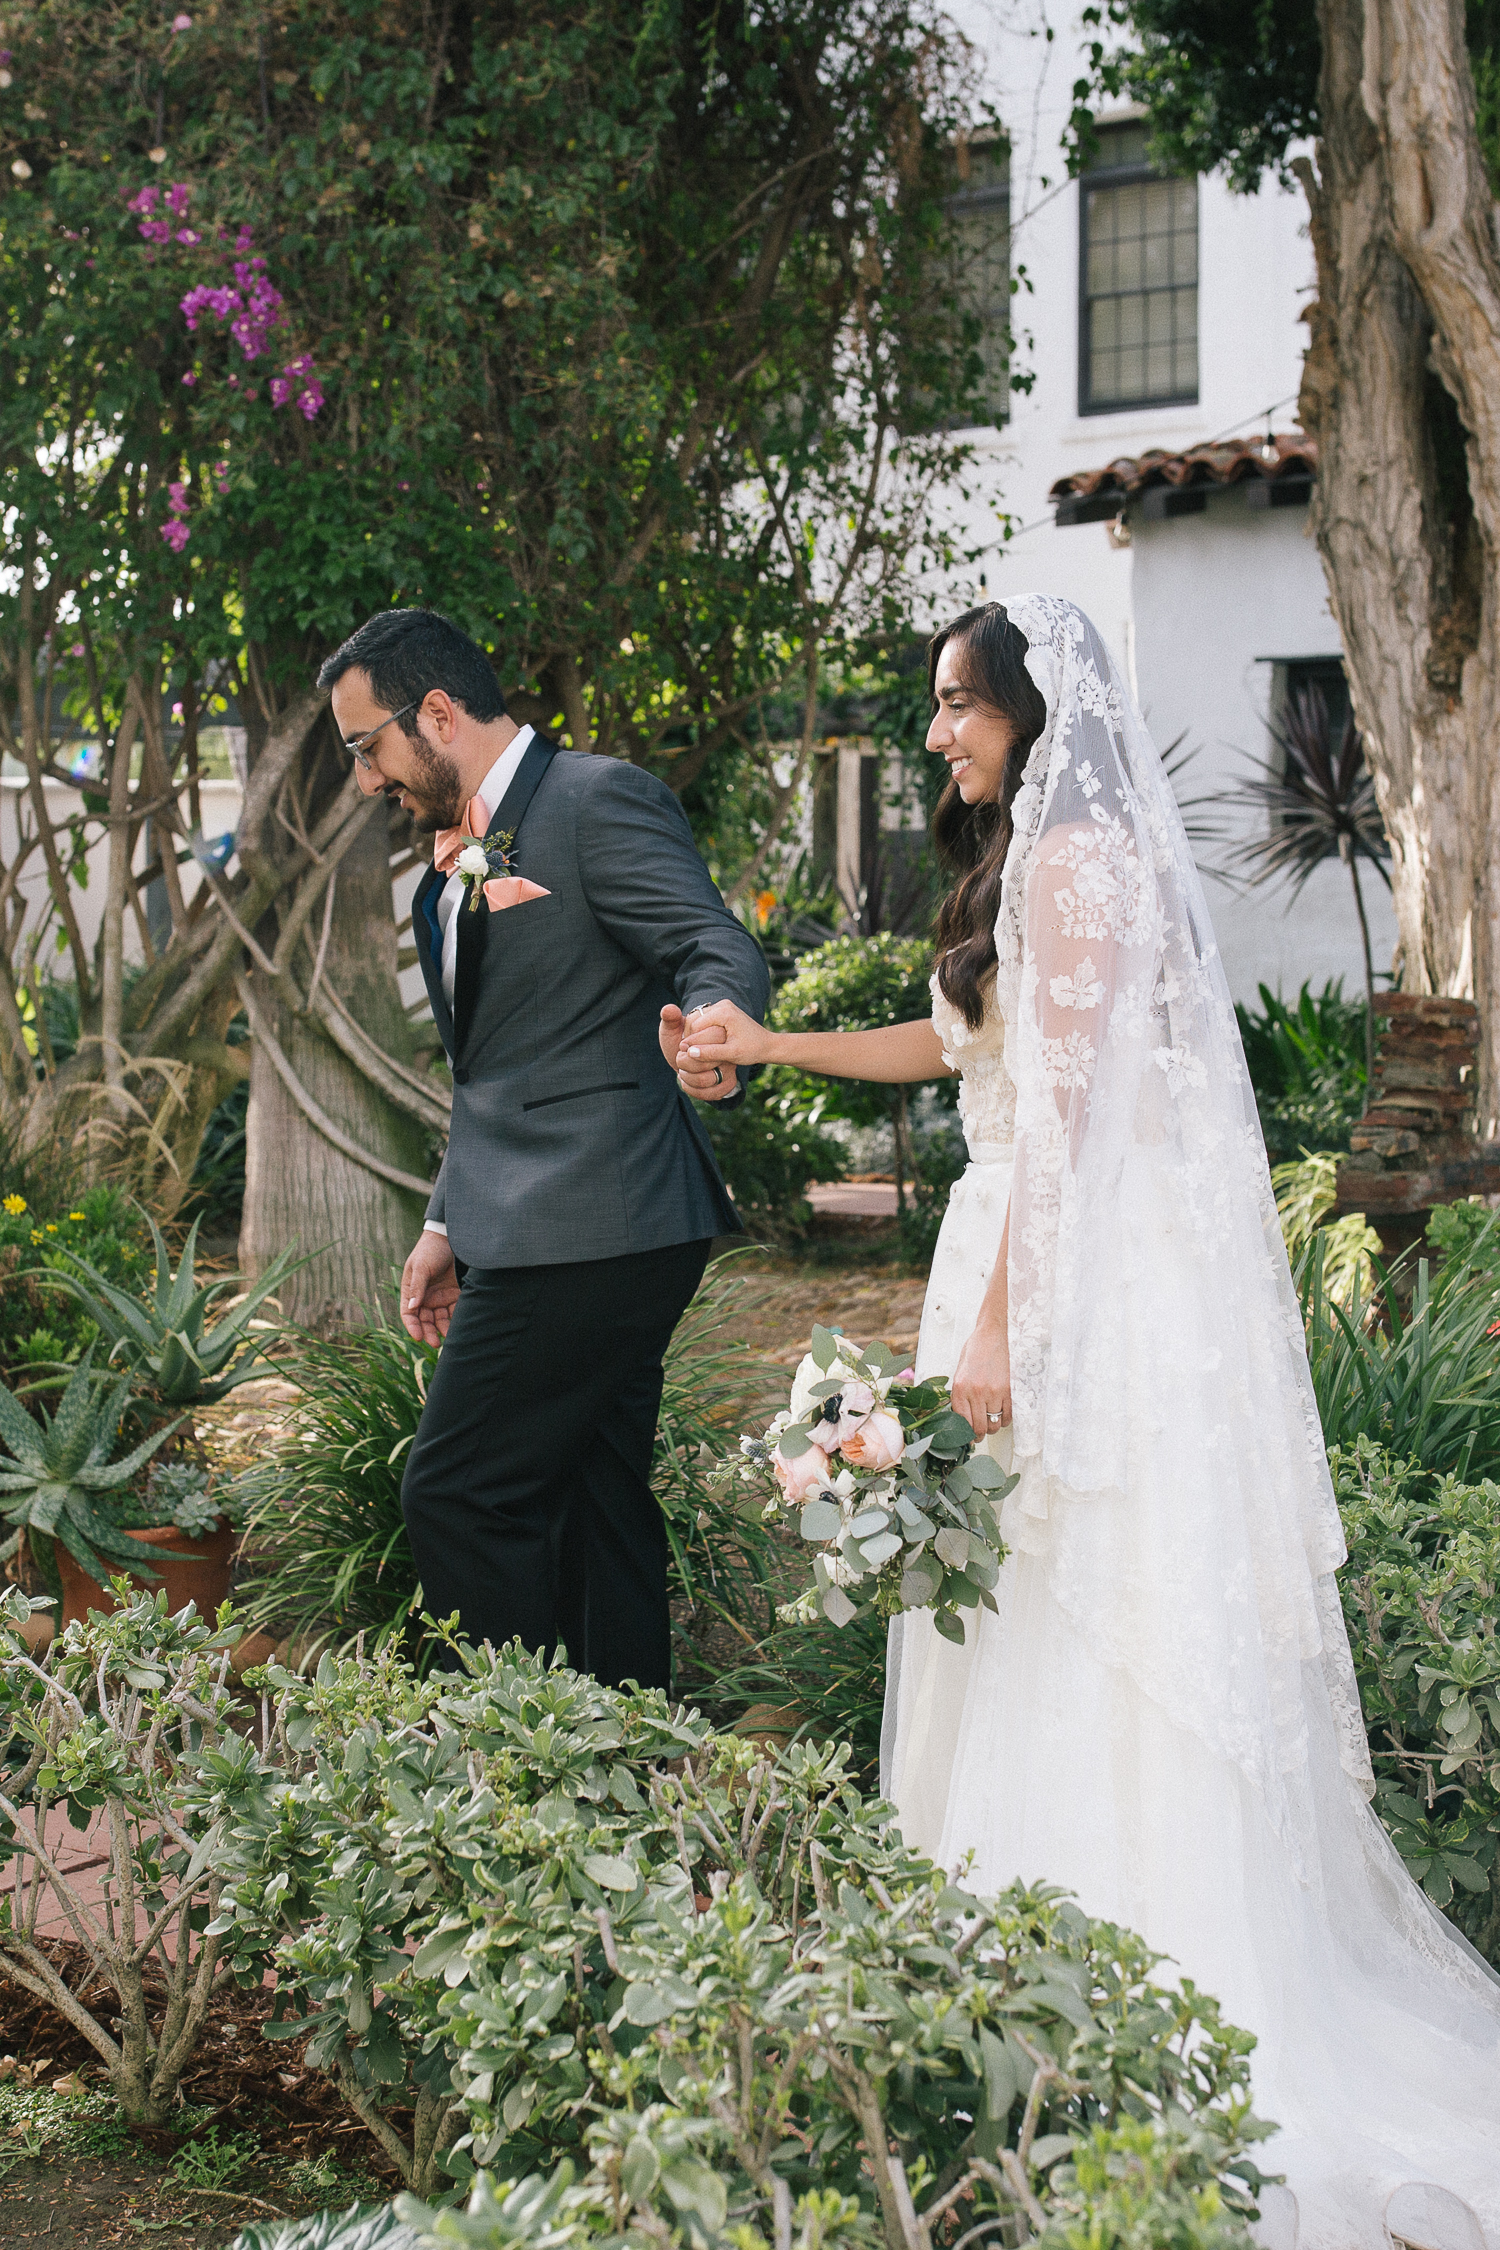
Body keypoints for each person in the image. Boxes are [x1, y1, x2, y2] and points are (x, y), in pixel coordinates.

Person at [672, 596, 1500, 2248]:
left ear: (1032, 712)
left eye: (958, 704)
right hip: (1022, 1250)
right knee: (1016, 1608)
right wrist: (771, 1042)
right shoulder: (1022, 868)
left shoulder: (1074, 865)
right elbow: (959, 1048)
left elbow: (1062, 1124)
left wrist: (1000, 1332)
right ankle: (1005, 1994)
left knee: (1086, 1605)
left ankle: (1123, 1996)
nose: (937, 733)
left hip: (1067, 1281)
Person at [320, 607, 766, 1693]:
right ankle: (629, 1752)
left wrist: (716, 1031)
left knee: (457, 1491)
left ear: (436, 713)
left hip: (601, 1215)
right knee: (593, 1497)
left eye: (366, 746)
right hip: (546, 1221)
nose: (366, 780)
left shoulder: (595, 800)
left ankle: (519, 1760)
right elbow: (491, 1070)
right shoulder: (445, 873)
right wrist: (446, 1219)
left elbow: (710, 940)